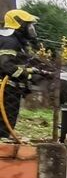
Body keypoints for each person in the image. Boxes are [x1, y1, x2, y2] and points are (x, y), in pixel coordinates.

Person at [0, 9, 40, 140]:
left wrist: (29, 72)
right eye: (29, 25)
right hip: (5, 89)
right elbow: (6, 66)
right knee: (4, 124)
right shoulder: (10, 41)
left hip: (11, 89)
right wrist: (26, 75)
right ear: (19, 24)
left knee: (7, 124)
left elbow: (16, 65)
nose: (32, 29)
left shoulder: (16, 41)